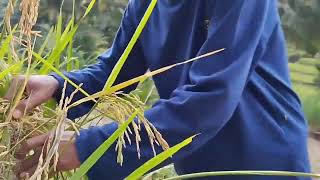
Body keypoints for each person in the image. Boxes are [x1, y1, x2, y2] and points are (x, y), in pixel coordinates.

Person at [5, 0, 311, 179]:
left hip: (264, 161)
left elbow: (211, 98)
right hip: (197, 162)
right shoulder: (147, 5)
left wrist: (87, 147)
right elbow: (113, 73)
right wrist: (58, 84)